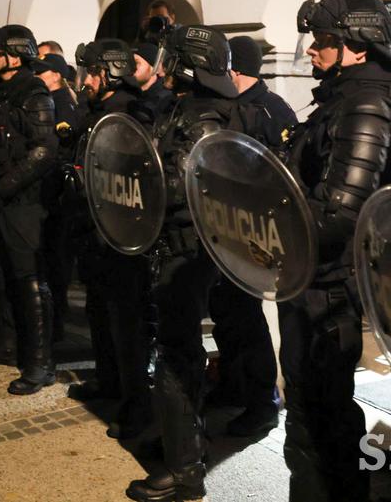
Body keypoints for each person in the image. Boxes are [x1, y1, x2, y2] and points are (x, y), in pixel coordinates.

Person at [279, 0, 391, 502]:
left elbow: (338, 213)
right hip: (315, 274)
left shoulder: (366, 105)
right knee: (314, 411)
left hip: (330, 282)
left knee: (323, 416)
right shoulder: (346, 97)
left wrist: (274, 231)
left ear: (357, 48)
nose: (314, 50)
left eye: (326, 42)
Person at [126, 25, 240, 502]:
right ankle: (181, 442)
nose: (164, 66)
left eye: (172, 59)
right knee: (177, 349)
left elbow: (191, 186)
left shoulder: (202, 119)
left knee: (176, 354)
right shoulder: (185, 109)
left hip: (187, 248)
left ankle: (184, 471)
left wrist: (143, 180)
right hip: (174, 245)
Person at [206, 35, 297, 438]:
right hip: (223, 227)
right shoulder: (232, 104)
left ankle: (262, 403)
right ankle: (233, 384)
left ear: (234, 69)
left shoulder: (270, 110)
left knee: (247, 320)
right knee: (226, 314)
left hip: (252, 233)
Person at [67, 39, 154, 439]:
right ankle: (110, 382)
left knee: (127, 323)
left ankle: (135, 405)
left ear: (108, 73)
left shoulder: (128, 113)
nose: (86, 79)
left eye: (92, 72)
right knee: (100, 312)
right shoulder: (100, 109)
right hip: (94, 227)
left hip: (119, 234)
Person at [0, 25, 59, 395]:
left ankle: (41, 363)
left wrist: (3, 189)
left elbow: (43, 151)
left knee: (29, 280)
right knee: (1, 273)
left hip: (24, 201)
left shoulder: (34, 93)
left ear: (16, 54)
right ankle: (7, 343)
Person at [29, 53, 82, 343]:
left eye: (44, 71)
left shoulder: (61, 102)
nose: (39, 75)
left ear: (56, 76)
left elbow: (61, 142)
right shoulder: (55, 98)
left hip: (57, 192)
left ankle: (56, 321)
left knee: (56, 260)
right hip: (55, 191)